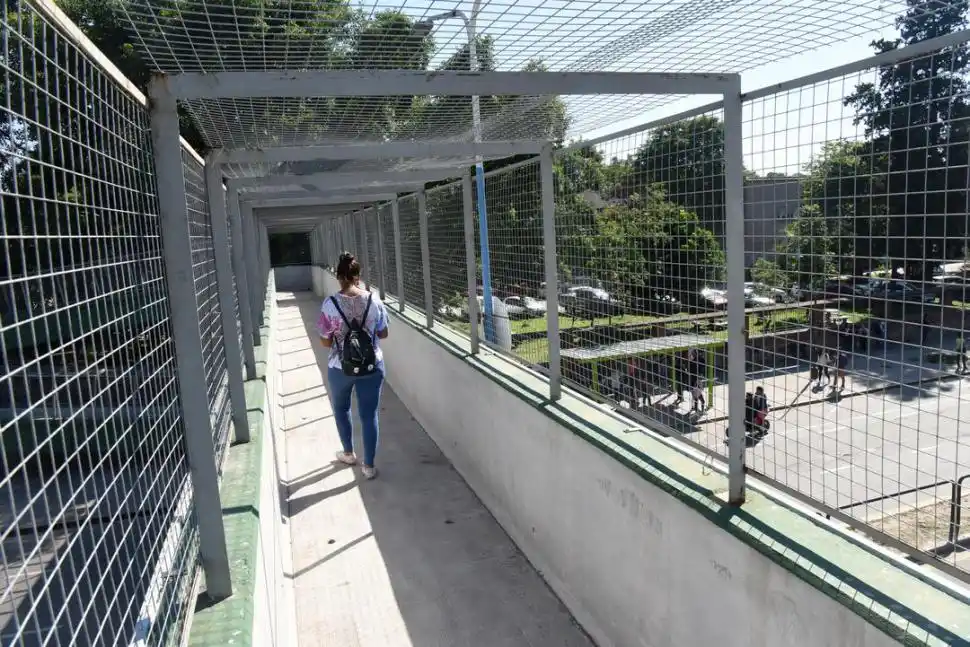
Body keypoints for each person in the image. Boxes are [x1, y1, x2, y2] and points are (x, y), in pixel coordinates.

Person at [317, 252, 390, 480]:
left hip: (340, 367)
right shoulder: (374, 300)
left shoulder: (330, 305)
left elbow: (325, 340)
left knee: (341, 408)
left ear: (339, 277)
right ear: (358, 277)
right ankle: (368, 467)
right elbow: (383, 333)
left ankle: (348, 453)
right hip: (372, 366)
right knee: (369, 415)